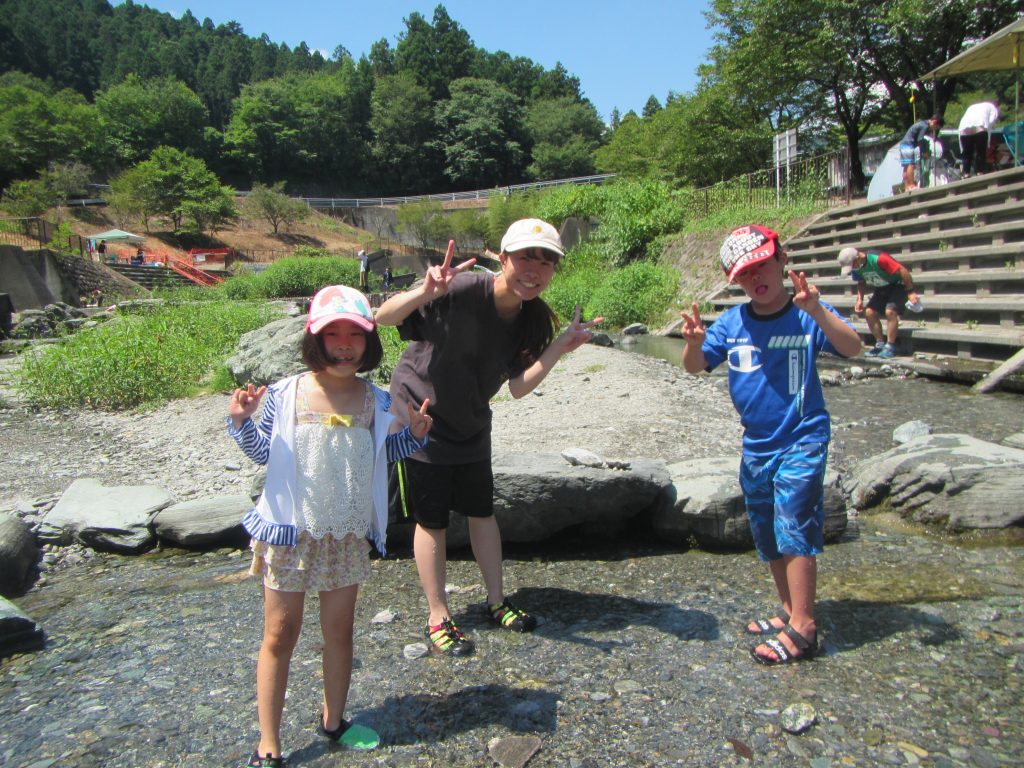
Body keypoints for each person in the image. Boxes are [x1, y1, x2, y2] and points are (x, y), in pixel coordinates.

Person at [227, 284, 433, 767]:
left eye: (354, 335)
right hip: (291, 537)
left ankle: (334, 720)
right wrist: (242, 423)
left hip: (344, 535)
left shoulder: (378, 402)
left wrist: (416, 436)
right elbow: (265, 456)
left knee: (339, 633)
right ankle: (269, 743)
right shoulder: (286, 393)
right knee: (280, 635)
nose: (344, 344)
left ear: (368, 341)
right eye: (332, 333)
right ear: (314, 339)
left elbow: (381, 458)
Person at [375, 219, 602, 656]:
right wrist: (426, 290)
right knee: (432, 519)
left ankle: (496, 601)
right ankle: (438, 614)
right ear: (502, 257)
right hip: (420, 416)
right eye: (525, 258)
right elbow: (383, 318)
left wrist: (559, 346)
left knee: (482, 512)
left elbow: (517, 386)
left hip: (472, 422)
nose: (534, 270)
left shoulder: (533, 319)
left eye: (546, 261)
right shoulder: (460, 291)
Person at [680, 225, 861, 666]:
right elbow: (694, 367)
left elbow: (853, 347)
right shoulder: (732, 323)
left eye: (763, 265)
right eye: (745, 273)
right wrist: (694, 344)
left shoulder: (805, 312)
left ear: (782, 261)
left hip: (803, 436)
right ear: (734, 279)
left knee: (794, 523)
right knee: (766, 530)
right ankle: (788, 608)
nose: (756, 277)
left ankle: (805, 626)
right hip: (756, 444)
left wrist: (818, 311)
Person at [837, 246, 919, 359]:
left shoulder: (878, 259)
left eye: (852, 265)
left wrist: (911, 292)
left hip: (898, 285)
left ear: (858, 257)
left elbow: (902, 271)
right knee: (869, 312)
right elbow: (861, 282)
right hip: (881, 287)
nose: (853, 269)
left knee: (890, 311)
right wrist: (860, 299)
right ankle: (880, 344)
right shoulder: (856, 268)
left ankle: (890, 346)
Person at [899, 114, 942, 191]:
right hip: (909, 144)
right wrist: (924, 152)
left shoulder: (922, 123)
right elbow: (920, 139)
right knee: (910, 165)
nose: (934, 129)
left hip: (904, 144)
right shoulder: (924, 126)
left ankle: (906, 187)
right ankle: (911, 185)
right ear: (934, 122)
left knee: (906, 166)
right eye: (936, 127)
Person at [958, 99, 1000, 177]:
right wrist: (988, 141)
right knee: (980, 151)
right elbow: (990, 123)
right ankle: (980, 172)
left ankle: (966, 173)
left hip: (964, 127)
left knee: (967, 153)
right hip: (980, 126)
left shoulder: (972, 107)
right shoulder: (993, 108)